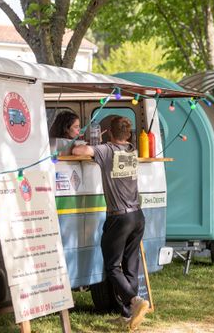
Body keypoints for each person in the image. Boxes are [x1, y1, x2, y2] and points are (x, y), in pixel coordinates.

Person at [72, 116, 150, 329]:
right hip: (138, 216)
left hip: (119, 217)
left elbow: (79, 152)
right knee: (130, 266)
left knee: (113, 266)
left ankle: (135, 301)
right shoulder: (131, 150)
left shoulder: (107, 150)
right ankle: (128, 315)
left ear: (109, 132)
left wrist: (96, 143)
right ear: (128, 134)